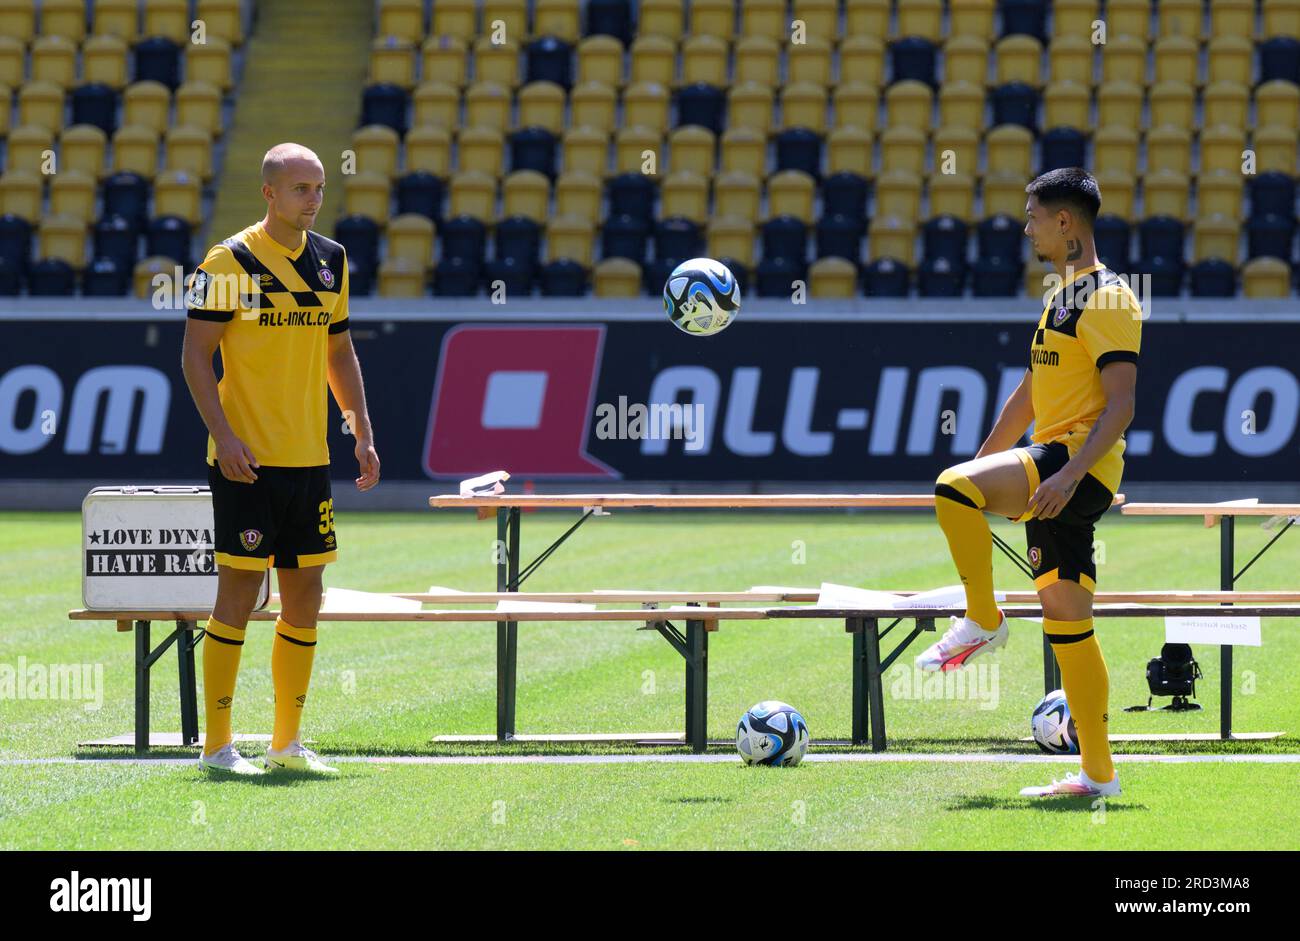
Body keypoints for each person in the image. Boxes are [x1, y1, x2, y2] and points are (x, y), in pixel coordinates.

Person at [914, 168, 1141, 798]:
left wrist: (1070, 473)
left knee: (951, 490)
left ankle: (982, 620)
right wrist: (986, 458)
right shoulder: (1060, 294)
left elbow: (1120, 405)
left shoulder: (1110, 298)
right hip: (1056, 462)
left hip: (1073, 464)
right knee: (1068, 622)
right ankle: (1098, 776)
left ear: (1065, 223)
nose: (1027, 226)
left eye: (1034, 215)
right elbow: (1031, 390)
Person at [181, 143, 380, 775]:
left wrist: (361, 430)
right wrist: (225, 436)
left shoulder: (333, 261)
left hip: (309, 460)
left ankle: (286, 745)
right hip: (247, 462)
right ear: (269, 193)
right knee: (238, 591)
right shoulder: (227, 261)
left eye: (319, 188)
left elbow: (339, 353)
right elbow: (195, 356)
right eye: (301, 189)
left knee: (306, 594)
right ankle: (216, 747)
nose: (314, 199)